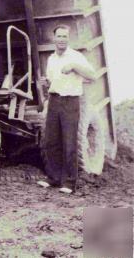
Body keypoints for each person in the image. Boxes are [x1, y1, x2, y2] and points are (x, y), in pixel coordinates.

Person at [37, 25, 96, 194]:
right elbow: (52, 80)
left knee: (69, 142)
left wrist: (74, 67)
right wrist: (46, 83)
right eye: (59, 36)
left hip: (70, 101)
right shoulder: (51, 59)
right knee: (51, 141)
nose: (62, 39)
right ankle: (54, 178)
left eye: (65, 36)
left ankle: (70, 183)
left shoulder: (76, 57)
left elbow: (92, 75)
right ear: (54, 38)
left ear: (68, 39)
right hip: (54, 100)